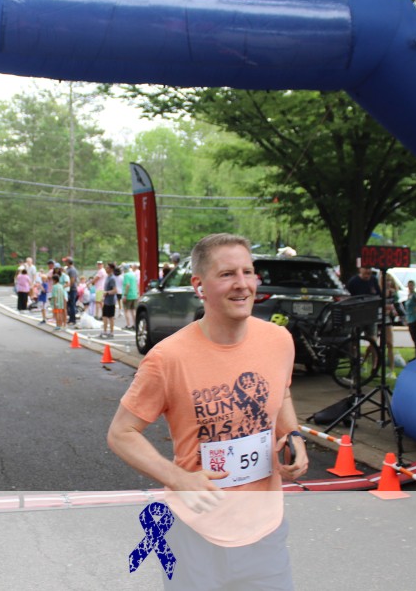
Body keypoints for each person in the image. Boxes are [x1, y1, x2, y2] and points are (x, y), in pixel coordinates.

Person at [107, 233, 307, 589]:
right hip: (195, 536)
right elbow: (121, 433)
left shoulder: (278, 340)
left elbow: (282, 393)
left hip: (266, 532)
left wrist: (292, 436)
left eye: (248, 272)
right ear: (199, 285)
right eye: (227, 274)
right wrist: (179, 479)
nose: (242, 284)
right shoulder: (168, 358)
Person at [100, 262, 118, 339]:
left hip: (110, 301)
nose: (106, 269)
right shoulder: (107, 277)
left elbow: (115, 290)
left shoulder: (112, 278)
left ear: (111, 269)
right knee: (104, 316)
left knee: (110, 317)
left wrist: (107, 293)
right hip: (106, 300)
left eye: (107, 268)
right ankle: (105, 331)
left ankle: (111, 332)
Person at [121, 263, 140, 330]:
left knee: (126, 310)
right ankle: (135, 325)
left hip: (128, 295)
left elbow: (127, 285)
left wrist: (125, 295)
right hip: (134, 294)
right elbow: (136, 284)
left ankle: (128, 325)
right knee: (133, 310)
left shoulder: (126, 275)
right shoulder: (133, 274)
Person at [65, 257, 79, 326]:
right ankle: (70, 318)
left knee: (72, 304)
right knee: (68, 304)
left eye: (66, 261)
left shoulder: (72, 270)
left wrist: (68, 287)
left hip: (72, 289)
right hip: (68, 289)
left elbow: (72, 280)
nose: (65, 263)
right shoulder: (67, 269)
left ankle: (73, 320)